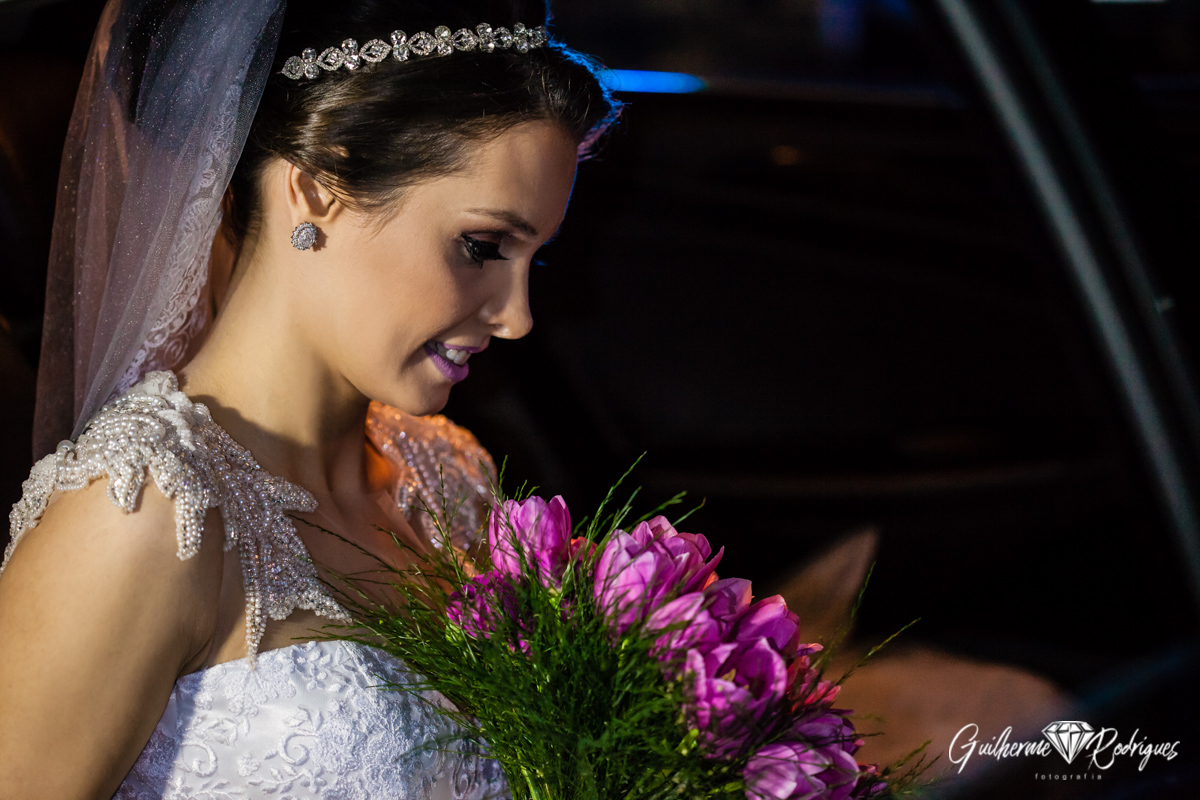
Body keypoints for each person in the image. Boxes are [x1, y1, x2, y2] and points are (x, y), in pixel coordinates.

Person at [0, 0, 619, 795]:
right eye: (483, 247)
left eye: (534, 258)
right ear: (318, 189)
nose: (517, 317)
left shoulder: (453, 478)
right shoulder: (144, 512)